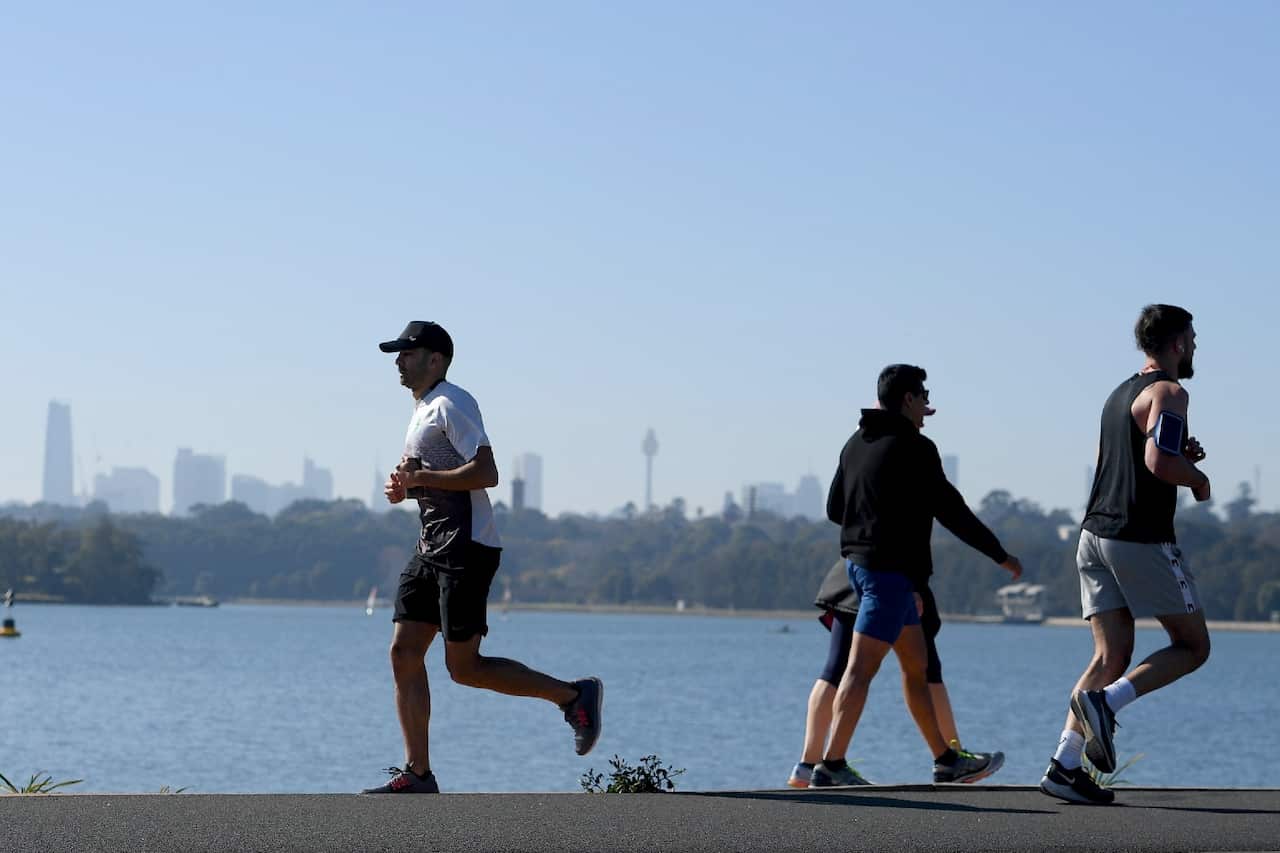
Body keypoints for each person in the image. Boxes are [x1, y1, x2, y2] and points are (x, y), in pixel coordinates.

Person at [362, 321, 603, 794]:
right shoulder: (422, 410)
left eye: (408, 353)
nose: (398, 361)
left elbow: (486, 472)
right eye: (397, 354)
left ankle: (574, 696)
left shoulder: (453, 401)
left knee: (464, 669)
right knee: (403, 652)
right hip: (430, 547)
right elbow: (430, 479)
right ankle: (418, 774)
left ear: (437, 360)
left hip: (466, 549)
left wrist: (422, 479)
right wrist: (405, 487)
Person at [813, 364, 1024, 787]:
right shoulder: (915, 448)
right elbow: (951, 509)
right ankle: (831, 765)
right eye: (923, 394)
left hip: (863, 569)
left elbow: (836, 509)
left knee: (916, 666)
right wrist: (999, 555)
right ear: (907, 399)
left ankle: (946, 760)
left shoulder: (855, 443)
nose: (928, 404)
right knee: (860, 671)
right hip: (885, 576)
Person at [1040, 305, 1211, 805]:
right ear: (1177, 343)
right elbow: (1158, 461)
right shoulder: (1171, 392)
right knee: (1193, 646)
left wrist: (1182, 456)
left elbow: (1121, 459)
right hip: (1139, 537)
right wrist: (1197, 479)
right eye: (1193, 338)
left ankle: (1064, 765)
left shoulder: (1119, 395)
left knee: (1110, 653)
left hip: (1093, 535)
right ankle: (1107, 703)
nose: (1196, 346)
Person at [787, 558, 1004, 787]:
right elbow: (949, 523)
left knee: (837, 668)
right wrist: (1000, 555)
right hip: (892, 579)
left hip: (849, 574)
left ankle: (808, 765)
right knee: (924, 668)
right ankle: (953, 757)